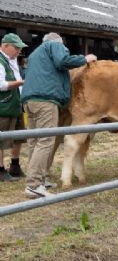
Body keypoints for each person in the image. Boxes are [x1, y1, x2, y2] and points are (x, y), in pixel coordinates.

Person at [21, 32, 97, 198]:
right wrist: (84, 59)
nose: (63, 49)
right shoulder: (54, 45)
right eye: (63, 47)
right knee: (46, 141)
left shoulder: (34, 54)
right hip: (46, 100)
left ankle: (40, 180)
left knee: (35, 141)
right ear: (58, 42)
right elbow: (63, 61)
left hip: (30, 100)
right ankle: (34, 185)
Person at [0, 34, 27, 182]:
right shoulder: (0, 61)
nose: (18, 51)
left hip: (15, 104)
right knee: (1, 139)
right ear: (4, 45)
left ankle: (14, 166)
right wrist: (21, 83)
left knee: (18, 137)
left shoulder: (12, 60)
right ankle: (0, 170)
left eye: (20, 48)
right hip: (3, 106)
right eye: (16, 48)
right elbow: (1, 85)